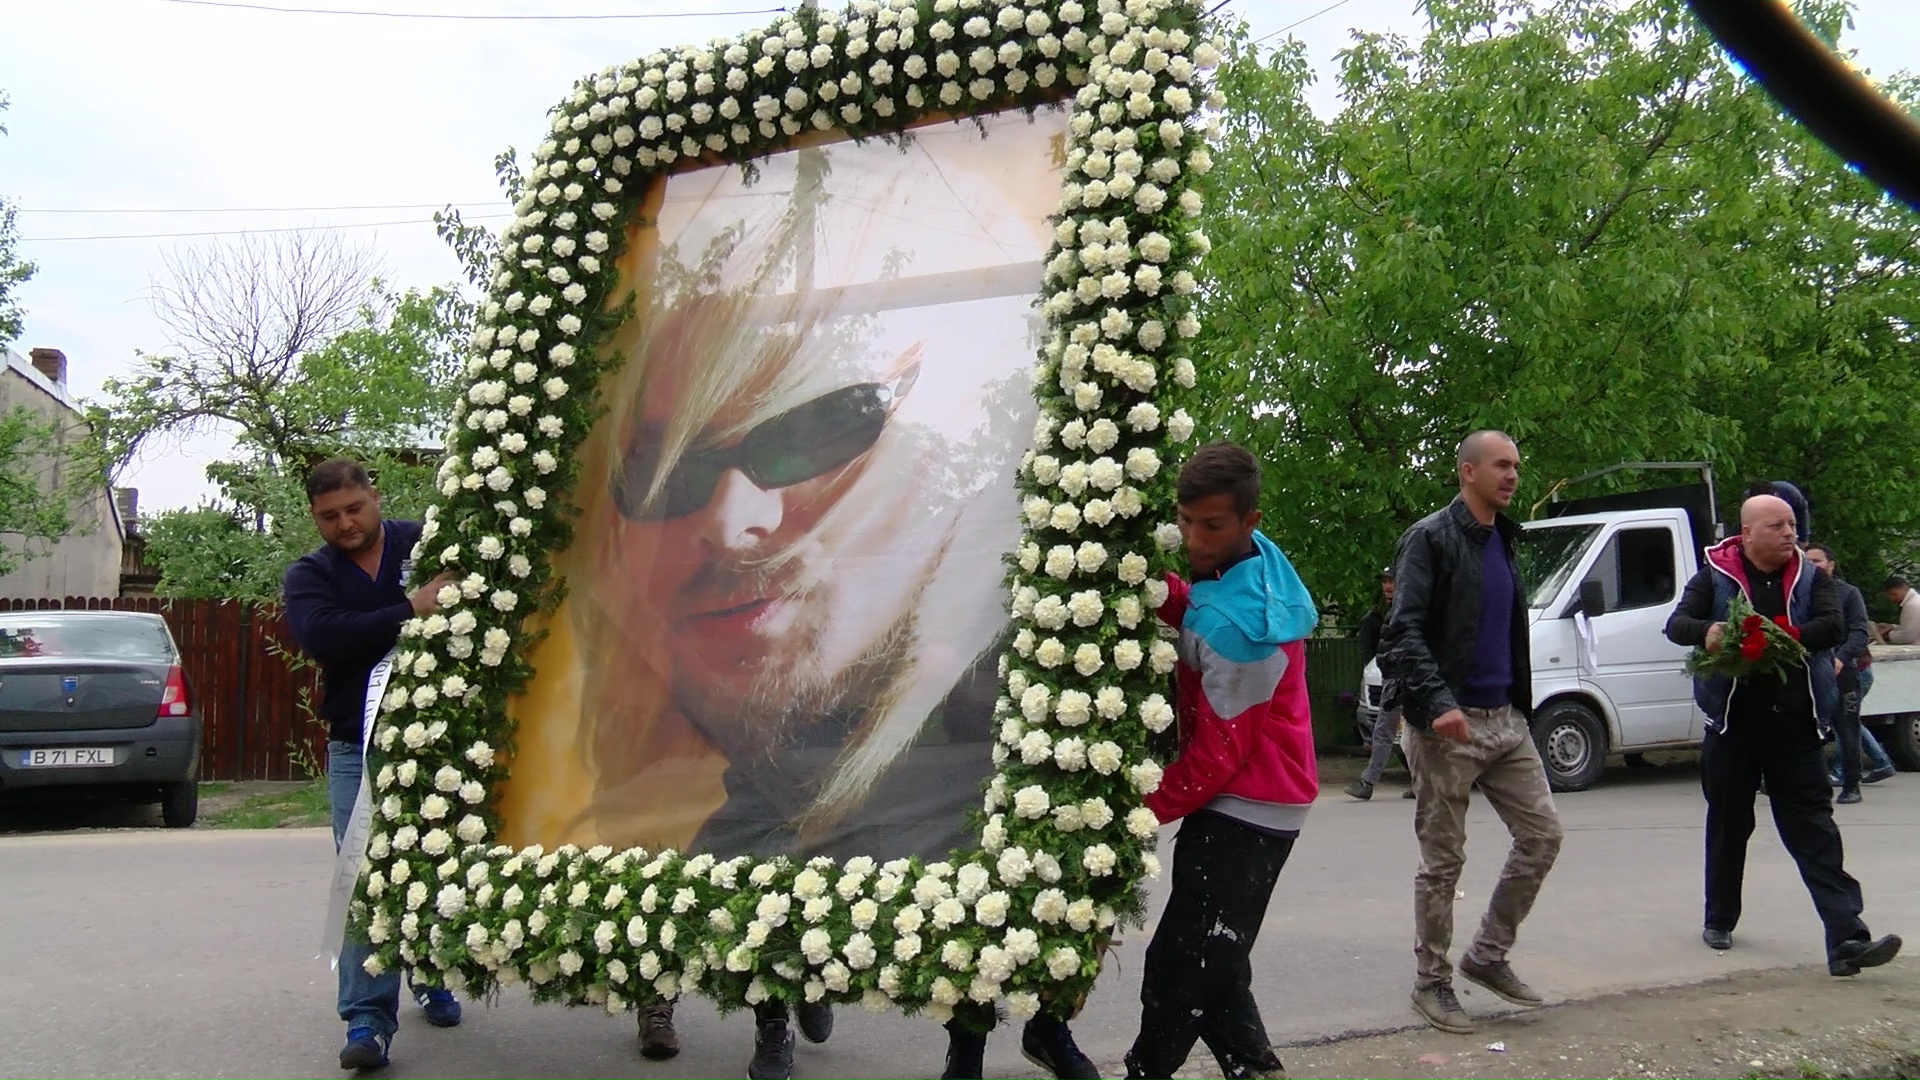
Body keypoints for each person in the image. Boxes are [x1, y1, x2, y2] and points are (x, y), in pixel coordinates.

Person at [490, 114, 1089, 1080]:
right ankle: (776, 1015)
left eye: (809, 434)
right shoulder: (635, 810)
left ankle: (975, 1039)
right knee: (761, 881)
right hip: (755, 817)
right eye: (668, 473)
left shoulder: (994, 677)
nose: (737, 522)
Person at [1118, 444, 1319, 1080]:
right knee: (1218, 962)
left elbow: (1216, 758)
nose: (1193, 540)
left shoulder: (1243, 630)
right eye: (1185, 521)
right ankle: (1255, 1069)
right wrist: (1155, 587)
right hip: (1252, 796)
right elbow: (1199, 609)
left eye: (1211, 526)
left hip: (1248, 807)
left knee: (1180, 969)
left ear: (1249, 520)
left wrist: (1135, 812)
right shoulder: (1251, 563)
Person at [1663, 495, 1902, 974]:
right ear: (1747, 533)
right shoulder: (1715, 574)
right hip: (1733, 727)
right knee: (1730, 824)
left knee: (1815, 830)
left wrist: (1783, 636)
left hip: (1795, 726)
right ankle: (1719, 918)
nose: (1790, 533)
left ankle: (1847, 940)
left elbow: (1832, 626)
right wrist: (1711, 630)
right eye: (1777, 525)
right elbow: (1676, 625)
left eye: (1792, 524)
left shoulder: (1812, 577)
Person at [1379, 430, 1564, 1035]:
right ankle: (1431, 982)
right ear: (1467, 472)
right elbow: (1401, 632)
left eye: (1516, 466)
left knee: (1542, 836)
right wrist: (1437, 704)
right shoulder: (1430, 538)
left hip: (1506, 720)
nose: (1513, 476)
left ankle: (1487, 955)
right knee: (1443, 862)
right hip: (1446, 728)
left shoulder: (1505, 538)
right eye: (1501, 465)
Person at [283, 459, 463, 1071]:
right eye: (329, 516)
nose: (345, 524)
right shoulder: (310, 574)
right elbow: (325, 637)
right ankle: (367, 1020)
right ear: (315, 518)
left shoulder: (426, 542)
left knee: (436, 866)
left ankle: (431, 975)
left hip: (440, 742)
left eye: (354, 509)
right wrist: (411, 608)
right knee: (365, 878)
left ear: (374, 496)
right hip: (355, 748)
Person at [1804, 545, 1895, 801]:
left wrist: (1840, 658)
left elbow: (1859, 632)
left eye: (1817, 561)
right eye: (1807, 561)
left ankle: (1852, 785)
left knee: (1847, 727)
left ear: (1831, 565)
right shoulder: (1800, 592)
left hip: (1843, 670)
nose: (1812, 565)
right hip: (1809, 668)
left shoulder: (1848, 593)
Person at [1348, 568, 1414, 800]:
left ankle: (1368, 782)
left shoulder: (1409, 610)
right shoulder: (1380, 615)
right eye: (1385, 582)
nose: (1387, 586)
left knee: (1392, 731)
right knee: (1395, 731)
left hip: (1405, 678)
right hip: (1394, 677)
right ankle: (1371, 782)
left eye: (1391, 581)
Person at [1879, 575, 1920, 644]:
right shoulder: (1916, 600)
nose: (1892, 599)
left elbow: (1907, 636)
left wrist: (1886, 635)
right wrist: (1892, 627)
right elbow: (1914, 628)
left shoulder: (1912, 605)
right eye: (1889, 596)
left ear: (1905, 588)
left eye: (1894, 594)